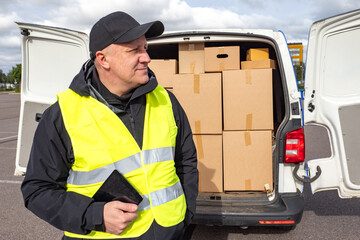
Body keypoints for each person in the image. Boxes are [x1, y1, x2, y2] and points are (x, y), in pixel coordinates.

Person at [21, 11, 198, 240]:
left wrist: (186, 216)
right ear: (103, 59)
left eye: (145, 48)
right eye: (134, 50)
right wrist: (94, 214)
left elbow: (186, 162)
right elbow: (37, 190)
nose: (146, 58)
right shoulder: (62, 114)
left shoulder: (166, 100)